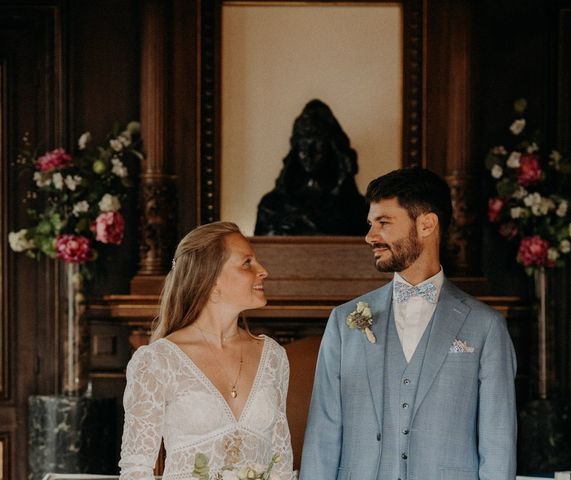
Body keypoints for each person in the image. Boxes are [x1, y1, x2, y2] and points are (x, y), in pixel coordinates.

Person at [299, 168, 517, 480]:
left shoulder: (486, 327)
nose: (370, 236)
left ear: (427, 224)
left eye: (384, 223)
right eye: (371, 224)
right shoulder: (343, 323)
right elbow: (322, 435)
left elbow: (498, 445)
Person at [119, 222, 295, 480]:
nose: (263, 271)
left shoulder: (273, 356)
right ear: (211, 280)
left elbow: (280, 461)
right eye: (247, 263)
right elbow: (136, 469)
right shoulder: (157, 361)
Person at [254, 99, 368, 236]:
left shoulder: (356, 209)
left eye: (317, 146)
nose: (308, 154)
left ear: (332, 150)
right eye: (303, 147)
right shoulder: (272, 207)